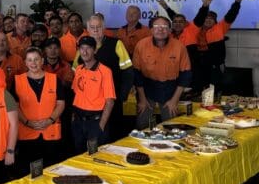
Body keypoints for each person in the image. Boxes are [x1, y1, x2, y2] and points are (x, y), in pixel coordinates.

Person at [78, 14, 133, 142]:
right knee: (93, 137)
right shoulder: (82, 47)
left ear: (104, 27)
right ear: (87, 28)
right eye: (92, 27)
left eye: (99, 27)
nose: (95, 30)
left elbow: (128, 73)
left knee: (113, 136)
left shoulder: (117, 44)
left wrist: (121, 96)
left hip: (112, 101)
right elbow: (76, 75)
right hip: (90, 105)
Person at [11, 47, 65, 175]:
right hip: (27, 132)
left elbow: (61, 103)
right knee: (28, 172)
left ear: (42, 61)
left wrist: (50, 120)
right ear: (25, 62)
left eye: (36, 59)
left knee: (52, 170)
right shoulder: (17, 80)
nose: (33, 63)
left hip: (50, 131)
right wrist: (27, 122)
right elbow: (14, 107)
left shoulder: (54, 79)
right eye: (29, 60)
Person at [133, 16, 192, 128]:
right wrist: (142, 99)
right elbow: (137, 74)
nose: (160, 29)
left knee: (172, 126)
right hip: (147, 89)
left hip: (170, 90)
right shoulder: (141, 45)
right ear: (151, 30)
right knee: (142, 125)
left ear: (170, 30)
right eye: (156, 26)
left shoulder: (179, 47)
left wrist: (174, 100)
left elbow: (186, 75)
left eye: (165, 26)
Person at [189, 0, 246, 94]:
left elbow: (231, 15)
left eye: (211, 18)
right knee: (197, 91)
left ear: (215, 21)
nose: (208, 20)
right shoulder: (194, 29)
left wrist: (237, 2)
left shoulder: (219, 28)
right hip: (197, 67)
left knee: (214, 91)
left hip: (214, 68)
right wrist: (204, 6)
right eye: (206, 18)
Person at [71, 37, 116, 154]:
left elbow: (110, 101)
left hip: (95, 122)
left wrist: (101, 126)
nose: (84, 52)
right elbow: (76, 93)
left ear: (95, 50)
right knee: (78, 156)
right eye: (82, 48)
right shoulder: (79, 69)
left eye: (88, 48)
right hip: (78, 122)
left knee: (96, 156)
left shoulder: (105, 71)